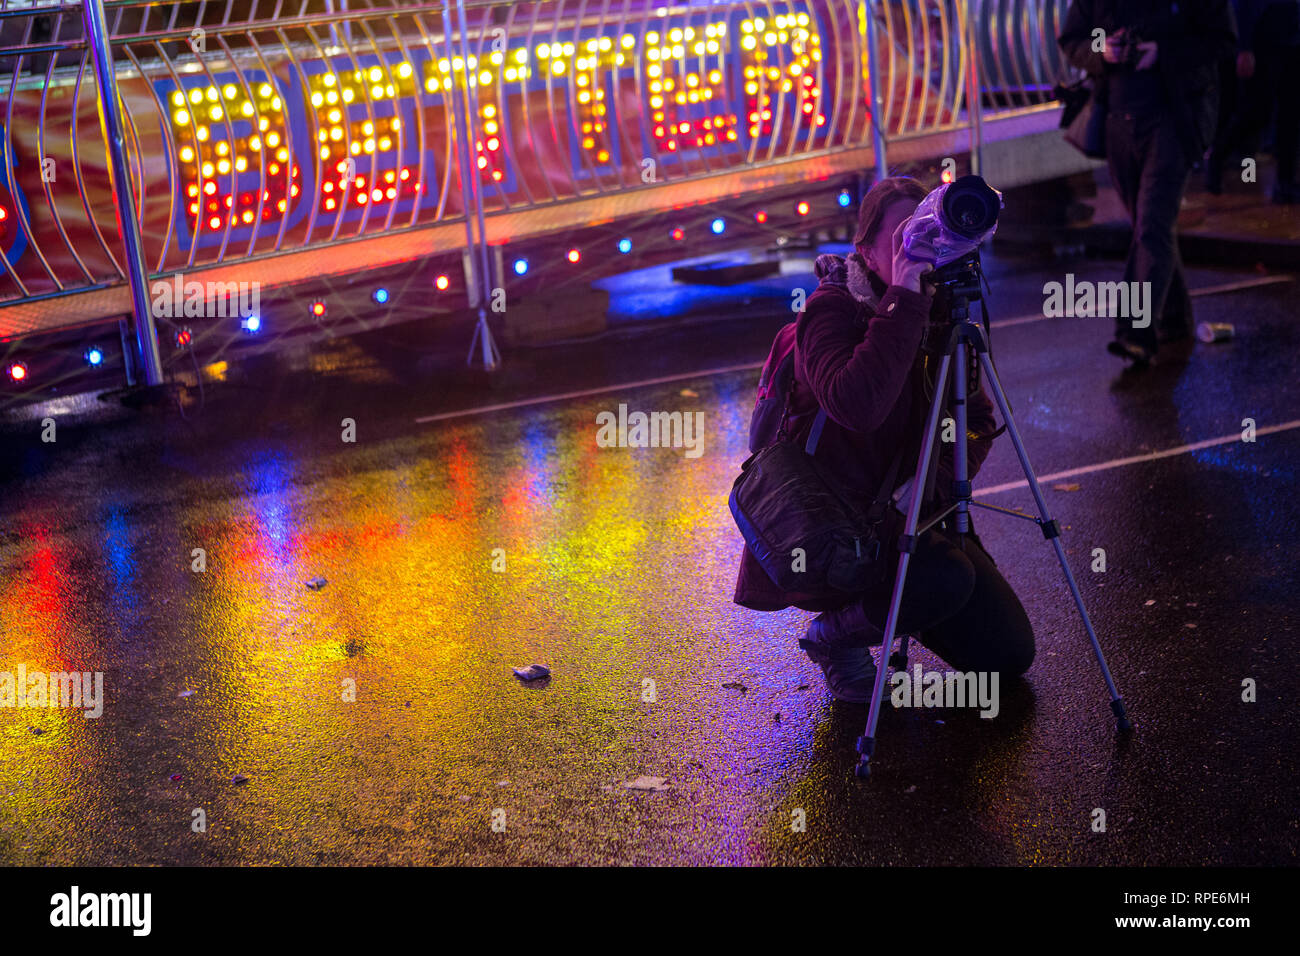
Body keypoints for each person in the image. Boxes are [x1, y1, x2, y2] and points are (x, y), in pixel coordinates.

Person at [732, 176, 1035, 703]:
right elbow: (858, 406)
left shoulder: (942, 310)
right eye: (900, 237)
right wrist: (903, 298)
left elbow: (979, 419)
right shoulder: (828, 312)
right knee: (945, 579)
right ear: (867, 252)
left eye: (925, 231)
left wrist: (930, 483)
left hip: (907, 515)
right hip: (835, 531)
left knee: (1008, 656)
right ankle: (835, 635)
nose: (916, 245)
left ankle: (901, 602)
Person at [1059, 1, 1236, 366]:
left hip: (1175, 120)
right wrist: (1102, 50)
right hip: (1118, 124)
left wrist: (1163, 52)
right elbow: (1072, 40)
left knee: (1151, 225)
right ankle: (1174, 318)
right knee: (1148, 227)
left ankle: (1135, 332)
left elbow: (1222, 40)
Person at [1206, 1, 1300, 203]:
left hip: (1291, 39)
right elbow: (1245, 5)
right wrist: (1245, 47)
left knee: (1290, 114)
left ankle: (1285, 182)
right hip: (1266, 39)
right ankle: (1217, 157)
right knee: (1258, 111)